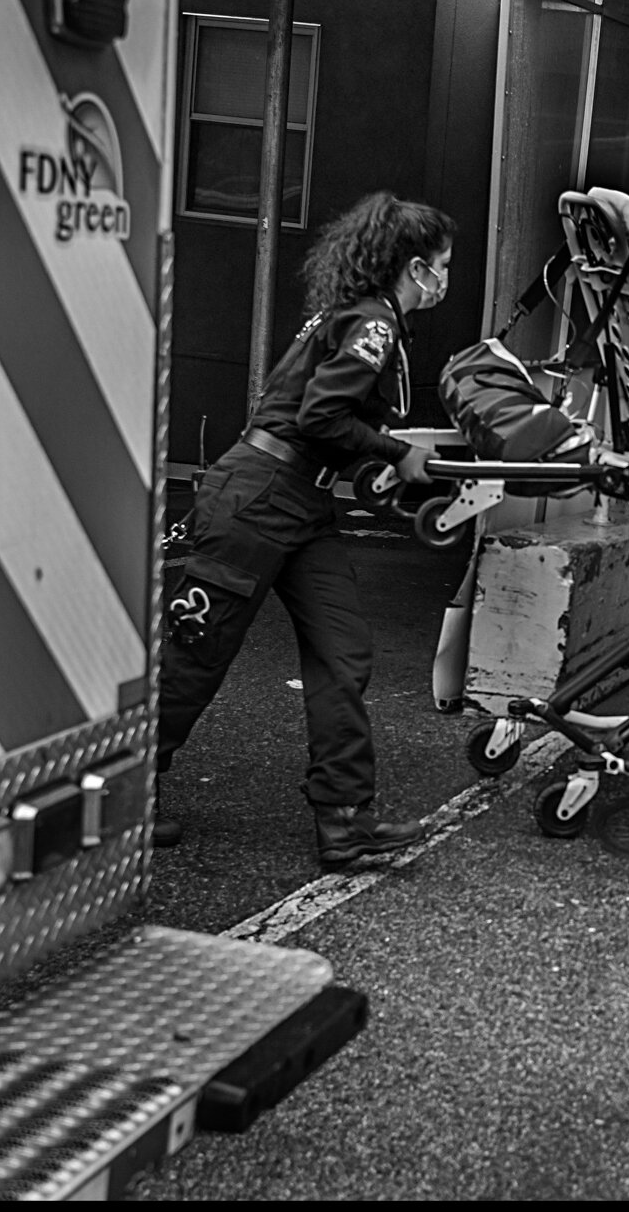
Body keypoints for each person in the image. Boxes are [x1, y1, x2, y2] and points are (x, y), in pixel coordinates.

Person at [155, 191, 451, 868]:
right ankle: (119, 800)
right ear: (414, 267)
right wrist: (394, 452)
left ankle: (345, 822)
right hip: (259, 497)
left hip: (302, 505)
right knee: (196, 655)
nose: (444, 281)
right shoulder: (372, 324)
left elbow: (325, 420)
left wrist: (375, 452)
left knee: (342, 654)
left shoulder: (362, 320)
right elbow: (320, 418)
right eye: (441, 267)